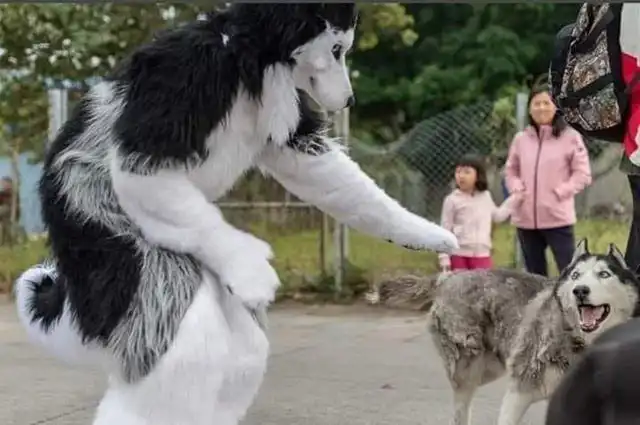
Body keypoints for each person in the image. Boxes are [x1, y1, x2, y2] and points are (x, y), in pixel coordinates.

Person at [504, 84, 592, 277]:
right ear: (530, 108)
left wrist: (560, 192)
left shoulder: (570, 137)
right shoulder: (520, 139)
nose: (541, 108)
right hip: (526, 220)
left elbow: (582, 174)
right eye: (536, 103)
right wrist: (516, 187)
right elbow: (511, 170)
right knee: (534, 276)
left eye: (546, 103)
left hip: (558, 218)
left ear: (556, 107)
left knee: (569, 272)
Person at [439, 154, 522, 272]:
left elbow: (498, 216)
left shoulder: (485, 196)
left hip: (482, 255)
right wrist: (444, 258)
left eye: (467, 172)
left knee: (483, 283)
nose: (461, 176)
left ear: (478, 175)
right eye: (458, 172)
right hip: (459, 255)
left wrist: (515, 199)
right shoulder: (451, 200)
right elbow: (445, 230)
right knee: (461, 283)